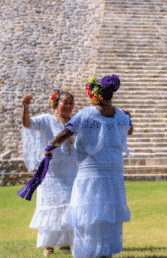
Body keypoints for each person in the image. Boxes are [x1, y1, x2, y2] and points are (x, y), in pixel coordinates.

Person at [45, 75, 133, 258]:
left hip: (91, 170)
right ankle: (105, 251)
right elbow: (129, 130)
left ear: (96, 94)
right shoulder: (120, 115)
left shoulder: (87, 114)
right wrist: (128, 117)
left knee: (88, 212)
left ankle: (88, 251)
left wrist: (50, 146)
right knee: (108, 211)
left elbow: (67, 131)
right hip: (113, 170)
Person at [21, 90, 78, 256]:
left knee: (69, 206)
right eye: (64, 102)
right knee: (50, 207)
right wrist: (25, 107)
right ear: (56, 103)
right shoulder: (46, 120)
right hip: (51, 173)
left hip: (71, 171)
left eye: (70, 103)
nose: (67, 106)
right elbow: (27, 124)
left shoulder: (75, 122)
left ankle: (66, 242)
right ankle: (48, 244)